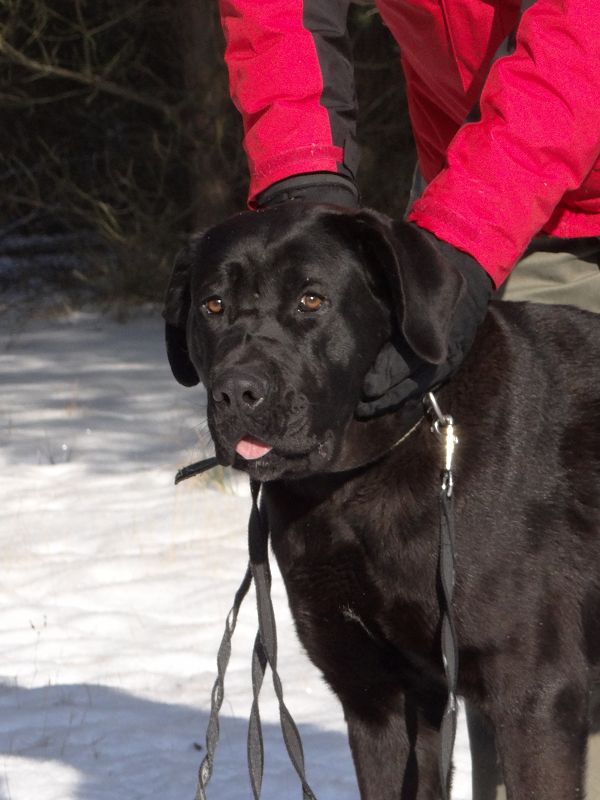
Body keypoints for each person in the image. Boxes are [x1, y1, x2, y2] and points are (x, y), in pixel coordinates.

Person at [216, 1, 600, 796]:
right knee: (506, 651)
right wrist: (303, 185)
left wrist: (462, 238)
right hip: (501, 187)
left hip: (520, 167)